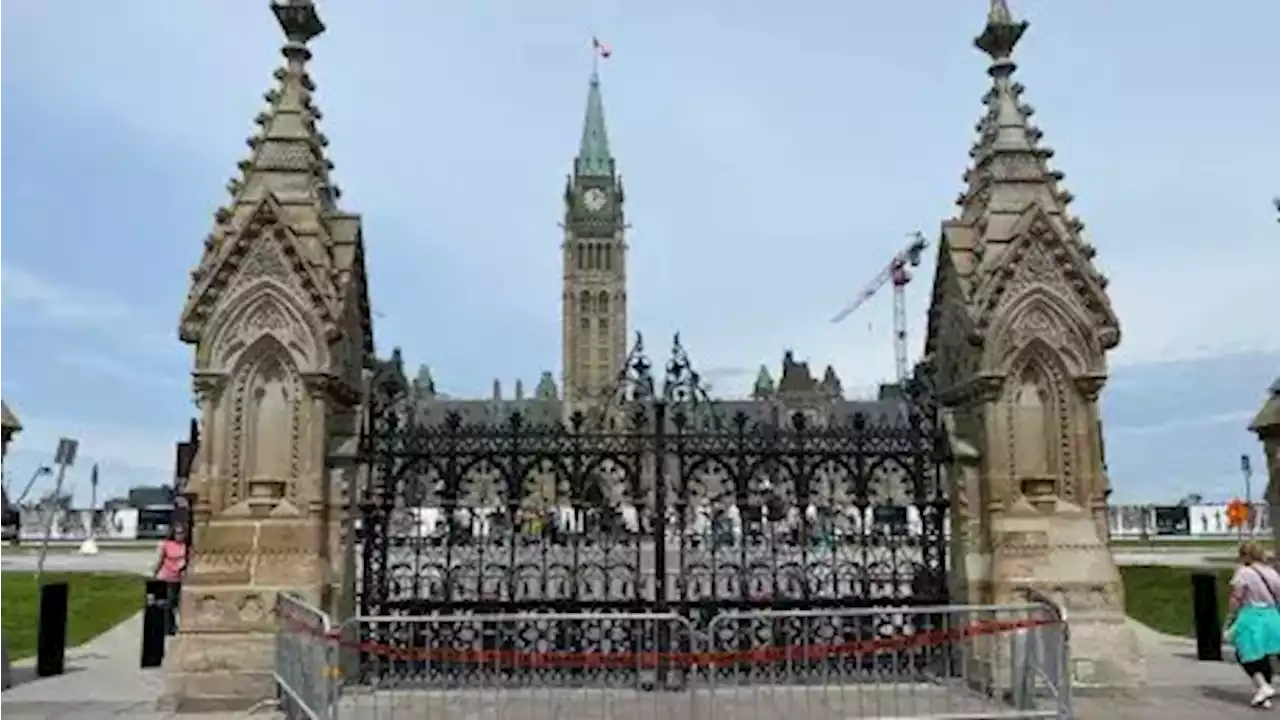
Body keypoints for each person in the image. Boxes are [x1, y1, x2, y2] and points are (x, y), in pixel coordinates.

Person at [1224, 540, 1280, 708]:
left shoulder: (1243, 573)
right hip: (1272, 616)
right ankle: (1265, 693)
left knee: (1245, 654)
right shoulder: (1272, 573)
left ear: (1244, 555)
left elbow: (1236, 598)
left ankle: (1262, 686)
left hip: (1251, 617)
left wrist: (1229, 619)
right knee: (1265, 655)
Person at [153, 524, 188, 636]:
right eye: (177, 533)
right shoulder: (167, 545)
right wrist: (155, 571)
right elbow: (161, 559)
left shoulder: (186, 546)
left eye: (182, 533)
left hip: (181, 578)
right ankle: (169, 627)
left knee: (180, 604)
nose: (180, 536)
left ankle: (182, 625)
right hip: (168, 577)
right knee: (169, 603)